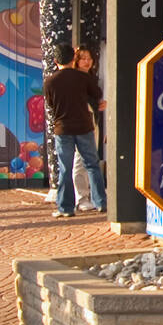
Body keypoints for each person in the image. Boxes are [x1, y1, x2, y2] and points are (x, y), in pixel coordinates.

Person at [44, 42, 105, 218]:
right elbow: (96, 94)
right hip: (84, 126)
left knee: (65, 168)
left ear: (55, 60)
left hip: (62, 129)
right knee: (92, 165)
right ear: (73, 59)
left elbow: (50, 104)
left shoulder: (50, 81)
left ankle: (65, 208)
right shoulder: (83, 78)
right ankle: (100, 202)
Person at [71, 45, 108, 212]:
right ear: (76, 61)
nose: (86, 62)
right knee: (81, 159)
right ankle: (82, 197)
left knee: (91, 158)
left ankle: (94, 196)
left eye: (89, 58)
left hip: (92, 119)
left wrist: (99, 104)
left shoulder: (91, 77)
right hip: (81, 121)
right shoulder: (74, 78)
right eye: (83, 58)